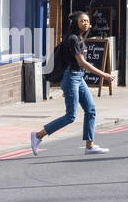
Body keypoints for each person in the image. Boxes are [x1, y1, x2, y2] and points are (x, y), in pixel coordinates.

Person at [32, 12, 115, 156]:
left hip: (78, 77)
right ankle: (38, 135)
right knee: (71, 116)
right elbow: (82, 62)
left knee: (90, 110)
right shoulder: (73, 39)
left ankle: (90, 146)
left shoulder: (80, 38)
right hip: (71, 77)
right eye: (82, 20)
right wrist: (104, 75)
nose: (85, 23)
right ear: (75, 22)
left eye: (87, 21)